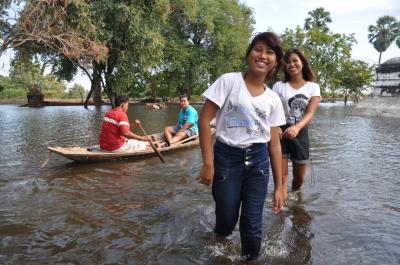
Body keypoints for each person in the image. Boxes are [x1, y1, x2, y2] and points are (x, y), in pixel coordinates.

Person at [197, 32, 286, 261]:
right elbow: (204, 119)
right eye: (258, 49)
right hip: (226, 158)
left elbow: (274, 144)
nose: (262, 55)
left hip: (258, 162)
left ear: (275, 61)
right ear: (249, 54)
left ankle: (251, 259)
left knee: (252, 225)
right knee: (226, 221)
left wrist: (279, 187)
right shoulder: (229, 81)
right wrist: (208, 163)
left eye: (269, 52)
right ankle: (219, 245)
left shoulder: (273, 99)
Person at [272, 48, 321, 201]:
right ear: (285, 66)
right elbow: (272, 110)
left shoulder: (313, 87)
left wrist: (297, 127)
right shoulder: (279, 86)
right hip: (280, 132)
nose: (291, 64)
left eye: (295, 61)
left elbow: (310, 113)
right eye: (288, 62)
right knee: (282, 176)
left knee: (299, 178)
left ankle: (295, 199)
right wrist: (277, 127)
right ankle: (281, 206)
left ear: (302, 63)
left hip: (301, 133)